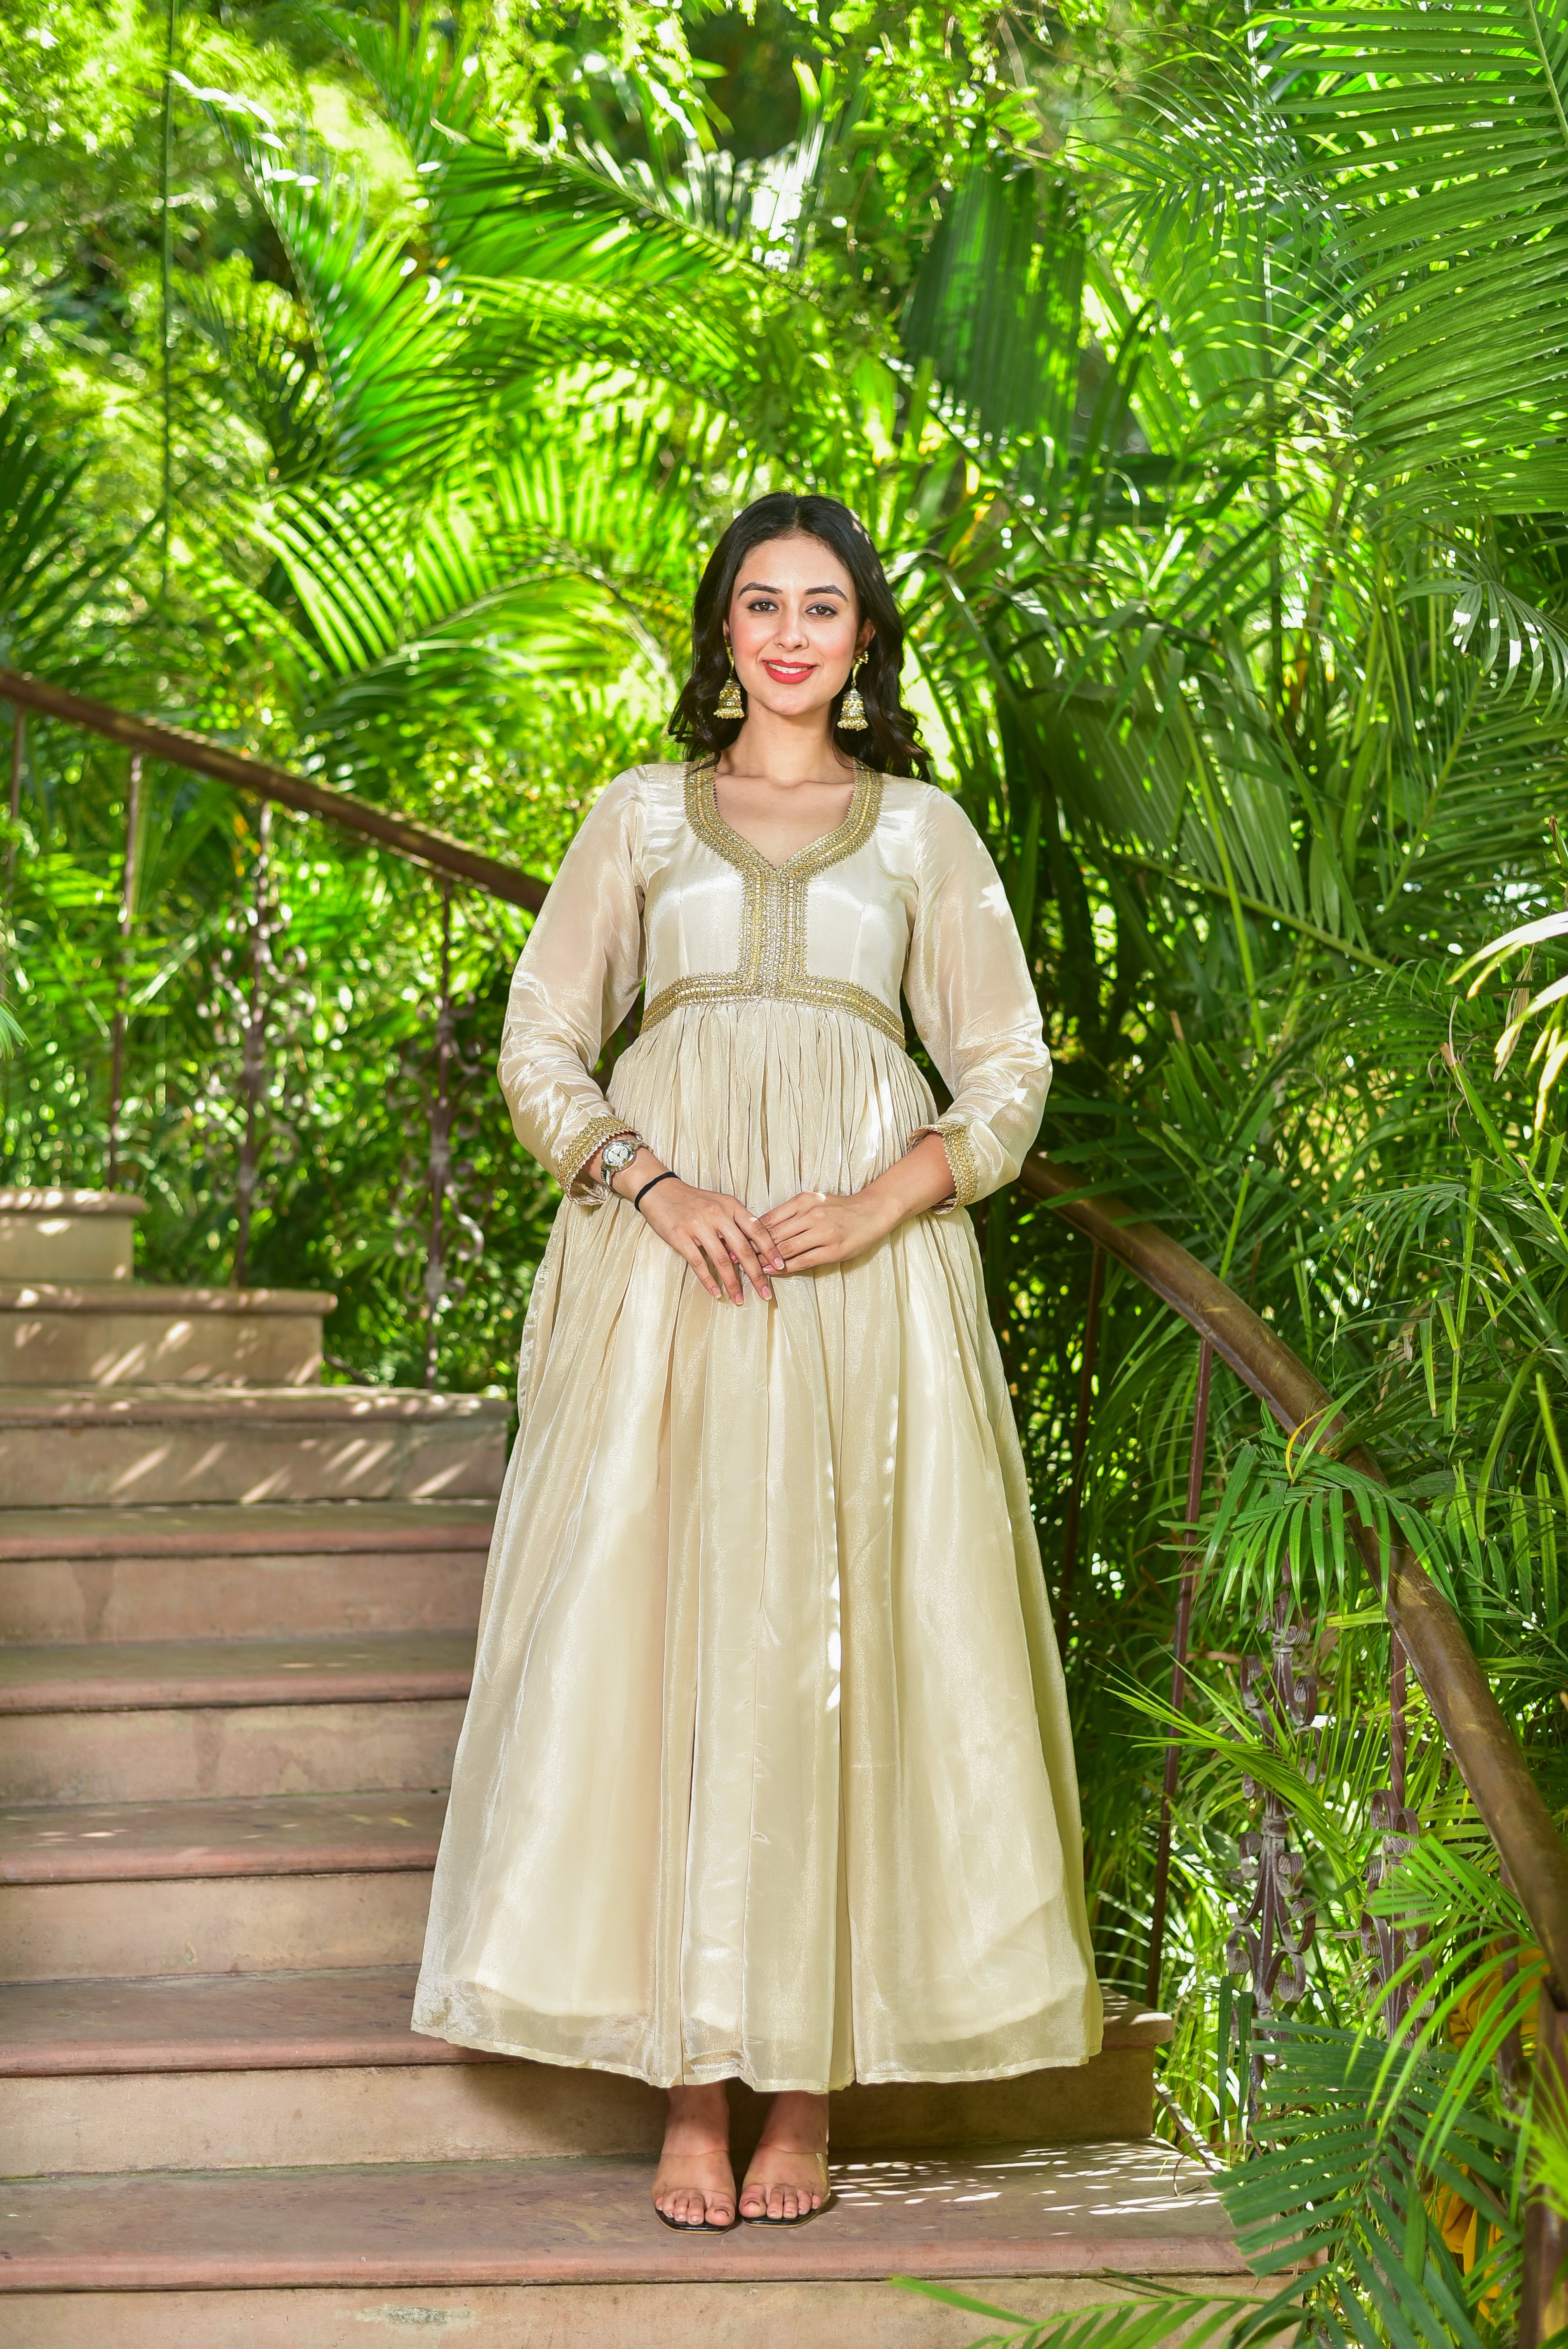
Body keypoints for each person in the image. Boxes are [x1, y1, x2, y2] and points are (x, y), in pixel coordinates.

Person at [412, 492, 1102, 2230]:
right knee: (674, 1644)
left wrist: (882, 1200)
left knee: (838, 1642)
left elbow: (1009, 1069)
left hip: (868, 1292)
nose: (791, 633)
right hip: (668, 1283)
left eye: (825, 606)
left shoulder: (925, 836)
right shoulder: (638, 819)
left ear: (865, 638)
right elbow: (544, 1041)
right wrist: (652, 1180)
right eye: (759, 604)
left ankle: (803, 2095)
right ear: (719, 632)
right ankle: (690, 2093)